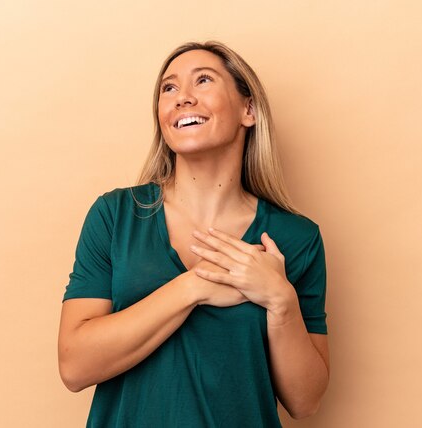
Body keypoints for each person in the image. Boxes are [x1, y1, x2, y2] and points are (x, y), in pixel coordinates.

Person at [58, 40, 330, 427]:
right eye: (169, 88)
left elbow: (305, 402)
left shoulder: (296, 238)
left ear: (248, 110)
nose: (182, 98)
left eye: (203, 81)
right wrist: (194, 287)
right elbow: (74, 365)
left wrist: (280, 301)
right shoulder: (114, 216)